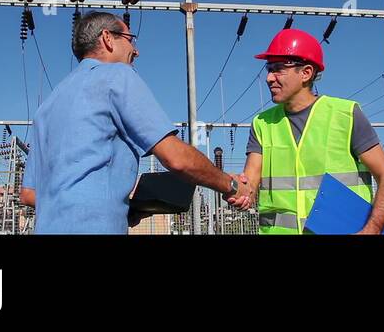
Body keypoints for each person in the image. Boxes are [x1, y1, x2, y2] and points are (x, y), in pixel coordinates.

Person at [20, 12, 246, 234]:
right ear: (108, 38)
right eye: (130, 39)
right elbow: (177, 159)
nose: (136, 50)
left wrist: (118, 208)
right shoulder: (117, 76)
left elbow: (29, 194)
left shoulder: (47, 107)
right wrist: (231, 185)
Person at [228, 27, 384, 234]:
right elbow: (249, 184)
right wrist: (236, 187)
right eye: (269, 69)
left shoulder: (345, 114)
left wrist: (372, 230)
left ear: (306, 73)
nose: (269, 78)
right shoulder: (261, 123)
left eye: (278, 69)